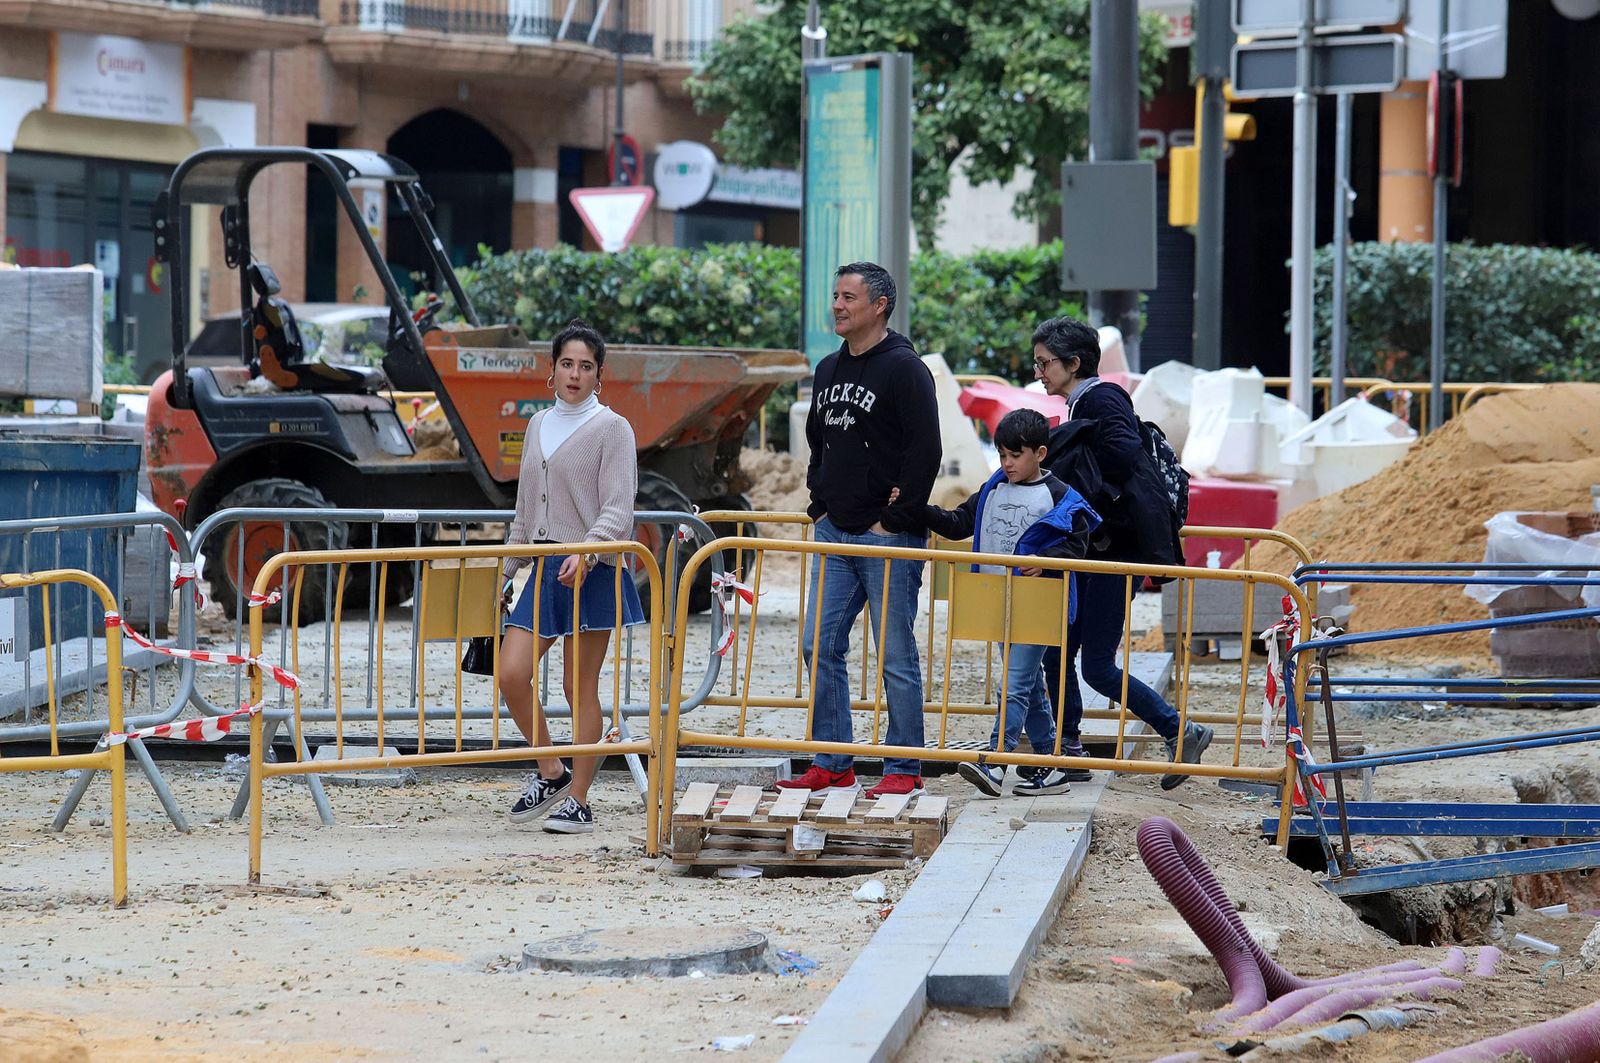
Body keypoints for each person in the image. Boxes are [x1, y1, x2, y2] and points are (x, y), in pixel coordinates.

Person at [776, 262, 941, 799]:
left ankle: (904, 767)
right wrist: (819, 506)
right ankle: (833, 760)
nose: (838, 306)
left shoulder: (905, 369)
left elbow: (925, 452)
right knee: (816, 644)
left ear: (880, 306)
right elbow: (817, 445)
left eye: (849, 297)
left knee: (895, 655)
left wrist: (894, 517)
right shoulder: (827, 370)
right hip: (834, 534)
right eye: (835, 295)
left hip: (887, 539)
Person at [1031, 315, 1213, 789]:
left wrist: (1069, 457)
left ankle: (1180, 729)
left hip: (1110, 555)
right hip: (1094, 553)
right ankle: (1066, 751)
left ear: (1074, 363)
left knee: (1095, 666)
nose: (1039, 372)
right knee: (1058, 652)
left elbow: (1122, 452)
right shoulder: (1084, 403)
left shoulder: (1102, 397)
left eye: (1045, 363)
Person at [498, 320, 643, 833]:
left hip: (594, 570)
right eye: (566, 364)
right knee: (511, 673)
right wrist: (503, 569)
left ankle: (579, 798)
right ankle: (551, 770)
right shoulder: (537, 425)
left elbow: (618, 508)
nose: (575, 374)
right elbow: (523, 513)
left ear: (599, 375)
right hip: (542, 568)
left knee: (578, 684)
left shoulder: (613, 428)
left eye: (585, 366)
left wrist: (589, 553)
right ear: (551, 370)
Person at [920, 409, 1100, 797]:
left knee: (1015, 684)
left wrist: (1047, 561)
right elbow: (958, 523)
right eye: (1002, 455)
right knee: (1030, 685)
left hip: (1038, 604)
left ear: (1040, 453)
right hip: (997, 602)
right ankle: (1050, 766)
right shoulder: (992, 488)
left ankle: (997, 762)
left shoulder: (1059, 495)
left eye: (1014, 455)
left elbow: (1079, 542)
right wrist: (918, 509)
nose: (1006, 463)